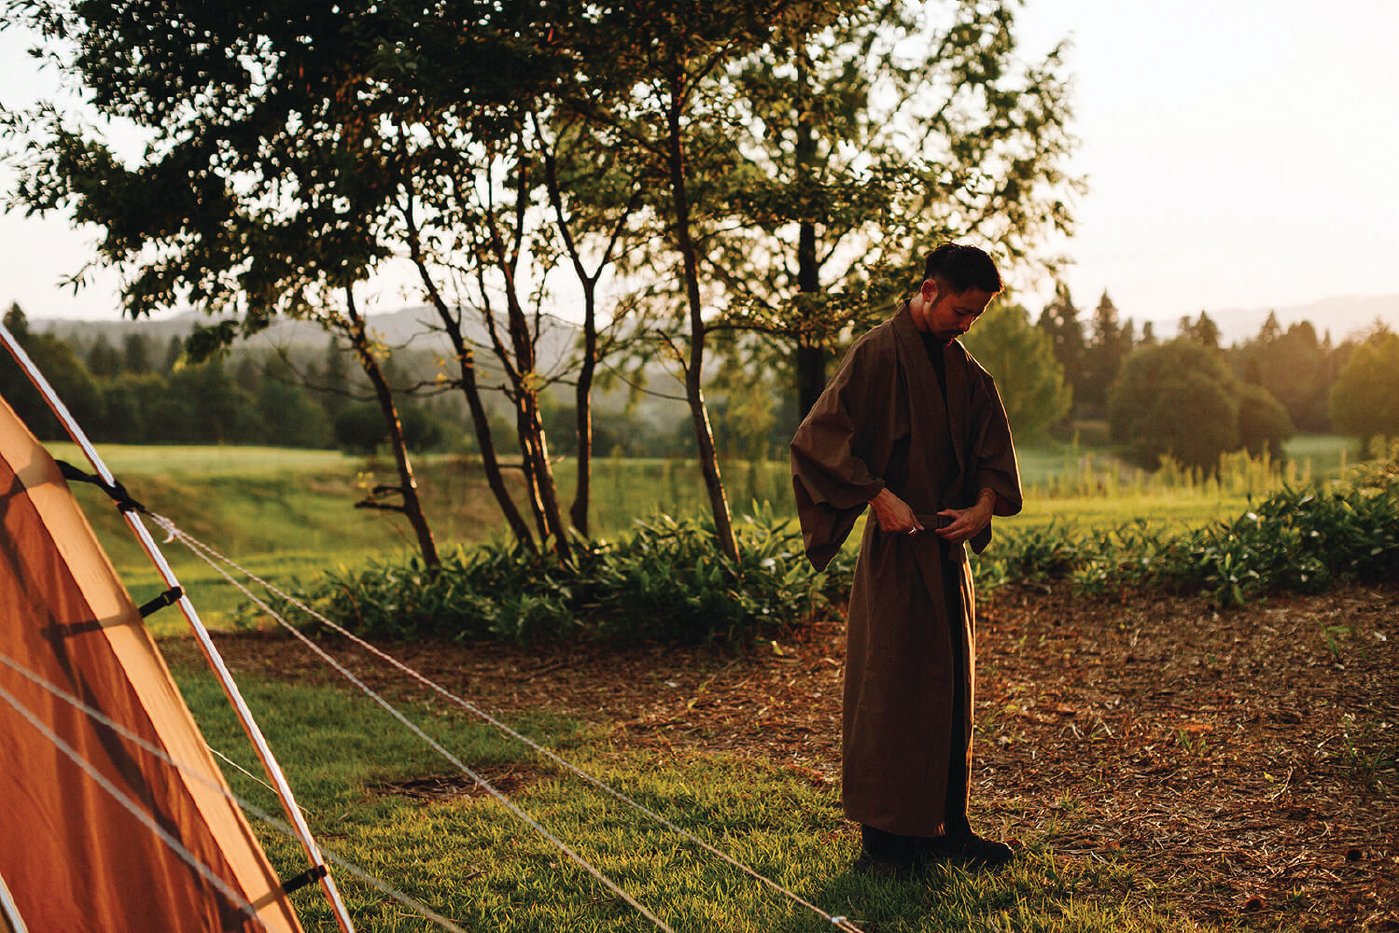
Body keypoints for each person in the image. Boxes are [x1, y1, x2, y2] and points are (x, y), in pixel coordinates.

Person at [789, 242, 1022, 873]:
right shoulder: (876, 354)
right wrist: (875, 495)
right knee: (894, 690)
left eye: (976, 315)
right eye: (960, 310)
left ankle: (947, 828)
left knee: (949, 692)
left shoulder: (967, 372)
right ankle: (887, 844)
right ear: (928, 291)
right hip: (897, 553)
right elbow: (817, 440)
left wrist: (981, 508)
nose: (966, 323)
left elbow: (993, 457)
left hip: (946, 557)